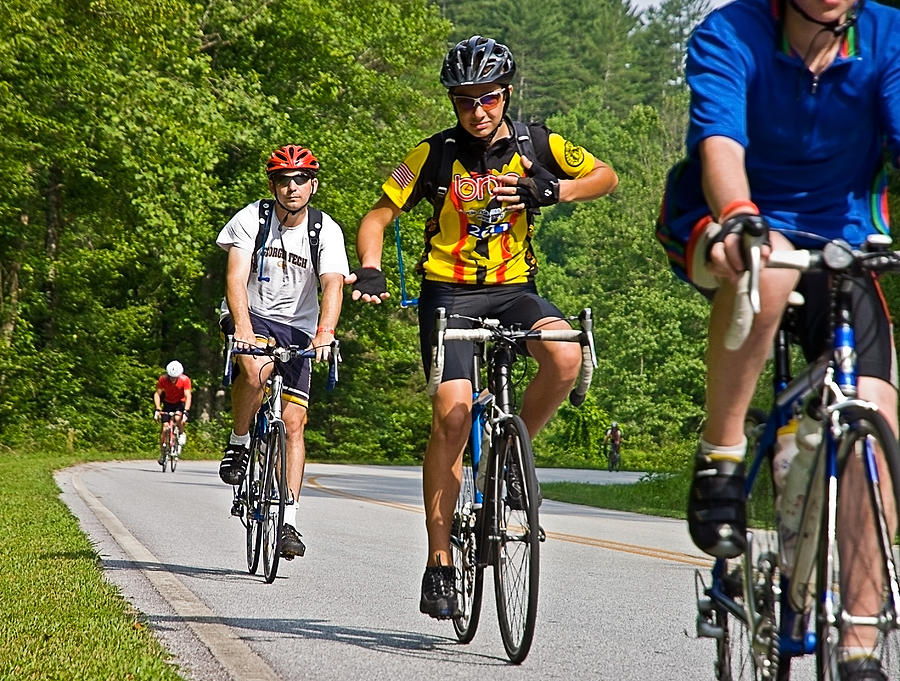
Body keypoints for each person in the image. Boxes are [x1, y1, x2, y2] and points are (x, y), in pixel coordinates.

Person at [656, 0, 900, 677]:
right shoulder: (732, 34)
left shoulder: (888, 34)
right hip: (735, 228)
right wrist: (738, 214)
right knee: (762, 275)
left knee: (875, 416)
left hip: (845, 247)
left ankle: (858, 642)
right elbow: (721, 146)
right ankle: (722, 456)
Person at [348, 35, 618, 619]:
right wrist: (369, 267)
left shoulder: (536, 142)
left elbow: (607, 175)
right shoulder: (431, 154)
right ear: (454, 103)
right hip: (449, 297)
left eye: (488, 97)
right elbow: (378, 213)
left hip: (514, 291)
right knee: (452, 415)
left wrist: (556, 189)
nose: (478, 110)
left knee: (566, 356)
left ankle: (511, 455)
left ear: (507, 94)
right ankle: (439, 561)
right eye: (465, 100)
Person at [216, 144, 349, 560]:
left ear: (314, 184)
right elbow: (235, 276)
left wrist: (325, 332)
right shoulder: (251, 220)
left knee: (294, 422)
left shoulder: (325, 230)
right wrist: (242, 330)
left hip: (299, 327)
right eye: (283, 180)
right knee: (254, 374)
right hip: (250, 314)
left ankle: (288, 519)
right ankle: (239, 442)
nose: (292, 188)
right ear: (273, 185)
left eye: (301, 179)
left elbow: (333, 284)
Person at [154, 360, 192, 464]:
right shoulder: (163, 380)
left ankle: (181, 432)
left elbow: (188, 396)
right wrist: (157, 409)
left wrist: (186, 411)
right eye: (171, 377)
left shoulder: (185, 380)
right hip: (168, 403)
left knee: (178, 418)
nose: (172, 379)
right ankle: (163, 453)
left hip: (180, 403)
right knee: (164, 428)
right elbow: (157, 394)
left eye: (175, 377)